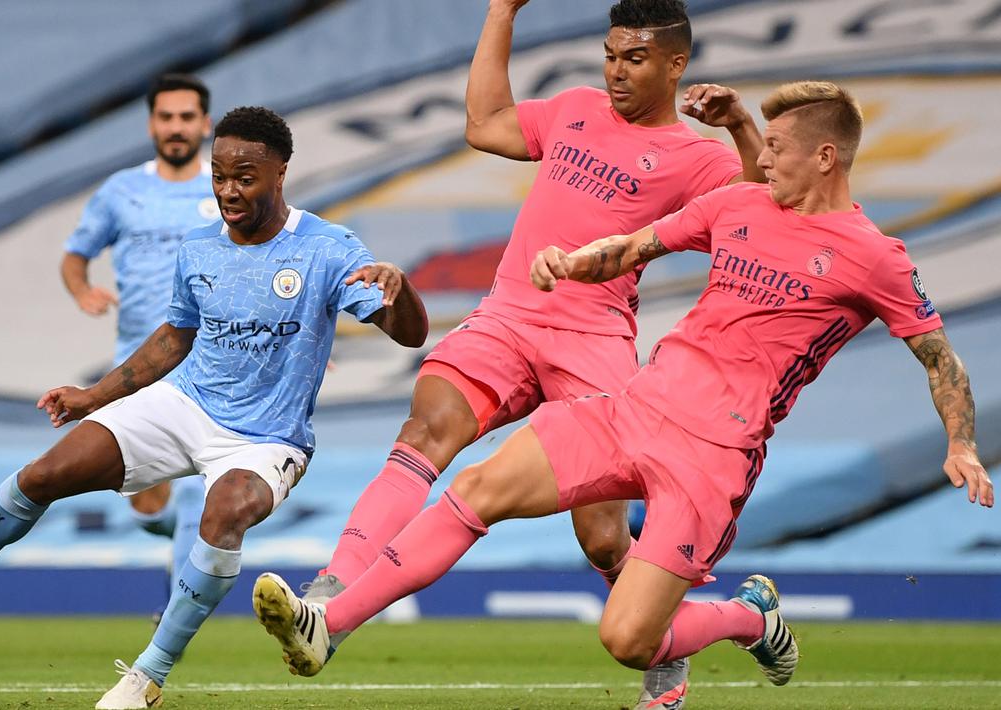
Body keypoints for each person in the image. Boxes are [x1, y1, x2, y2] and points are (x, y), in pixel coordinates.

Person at [253, 80, 992, 692]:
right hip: (634, 408)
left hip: (714, 456)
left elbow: (939, 359)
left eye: (775, 149)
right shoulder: (737, 206)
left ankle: (748, 617)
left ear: (825, 158)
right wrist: (572, 264)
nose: (759, 160)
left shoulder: (874, 258)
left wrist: (959, 442)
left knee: (629, 639)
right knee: (478, 488)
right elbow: (636, 245)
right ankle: (331, 624)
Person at [0, 106, 429, 710]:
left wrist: (402, 290)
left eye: (245, 177)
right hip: (184, 404)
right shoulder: (200, 247)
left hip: (268, 437)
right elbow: (173, 338)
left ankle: (147, 676)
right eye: (218, 174)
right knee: (44, 474)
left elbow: (410, 333)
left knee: (225, 512)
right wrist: (93, 397)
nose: (228, 190)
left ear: (280, 173)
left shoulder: (329, 248)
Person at [298, 1, 762, 706]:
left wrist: (736, 125)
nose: (613, 72)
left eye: (632, 59)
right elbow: (485, 125)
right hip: (507, 316)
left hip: (594, 341)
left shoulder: (696, 157)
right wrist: (500, 13)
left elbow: (765, 206)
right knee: (425, 430)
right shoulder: (573, 108)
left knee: (603, 540)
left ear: (675, 65)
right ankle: (330, 593)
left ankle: (673, 646)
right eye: (608, 55)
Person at [61, 72, 216, 599]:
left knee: (199, 488)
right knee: (147, 501)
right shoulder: (121, 191)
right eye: (167, 117)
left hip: (211, 359)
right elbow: (74, 256)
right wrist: (81, 289)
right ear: (152, 124)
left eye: (186, 117)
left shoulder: (227, 188)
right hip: (139, 363)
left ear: (205, 123)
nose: (176, 127)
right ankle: (183, 538)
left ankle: (176, 611)